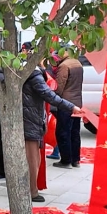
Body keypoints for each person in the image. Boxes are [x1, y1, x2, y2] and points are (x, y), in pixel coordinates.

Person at [22, 66, 82, 202]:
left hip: (30, 118)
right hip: (30, 120)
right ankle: (32, 192)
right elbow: (50, 96)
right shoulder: (34, 75)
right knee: (33, 159)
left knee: (34, 158)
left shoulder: (27, 72)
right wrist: (71, 107)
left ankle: (31, 189)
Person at [51, 51, 84, 169]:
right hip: (78, 102)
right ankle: (76, 160)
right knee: (75, 132)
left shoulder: (64, 66)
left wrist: (53, 98)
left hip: (66, 104)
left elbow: (59, 87)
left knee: (63, 132)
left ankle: (66, 160)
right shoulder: (78, 63)